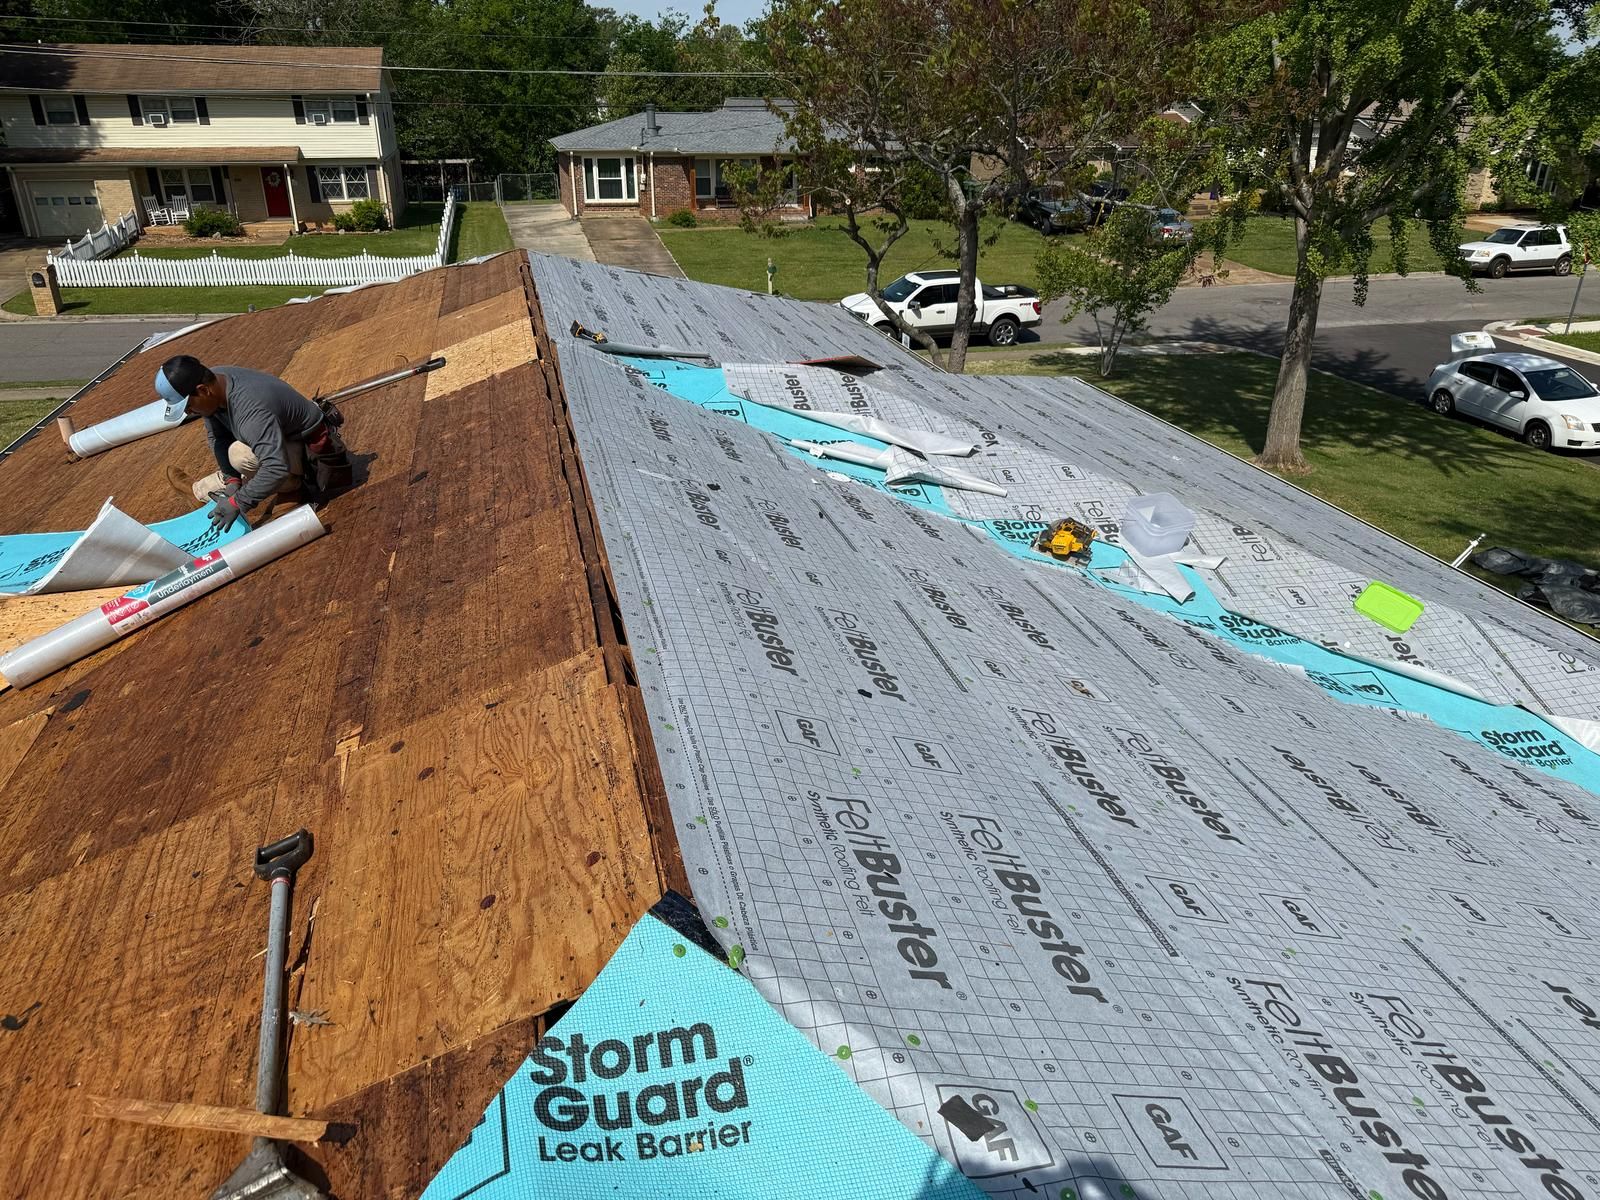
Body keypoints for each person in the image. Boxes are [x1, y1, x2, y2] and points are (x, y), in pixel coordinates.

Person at [156, 355, 325, 532]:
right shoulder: (216, 379)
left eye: (188, 406)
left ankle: (292, 489)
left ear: (203, 390)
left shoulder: (251, 410)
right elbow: (218, 437)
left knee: (240, 454)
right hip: (280, 442)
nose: (189, 412)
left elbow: (276, 468)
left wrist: (238, 502)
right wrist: (232, 480)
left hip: (310, 458)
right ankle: (202, 491)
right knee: (235, 457)